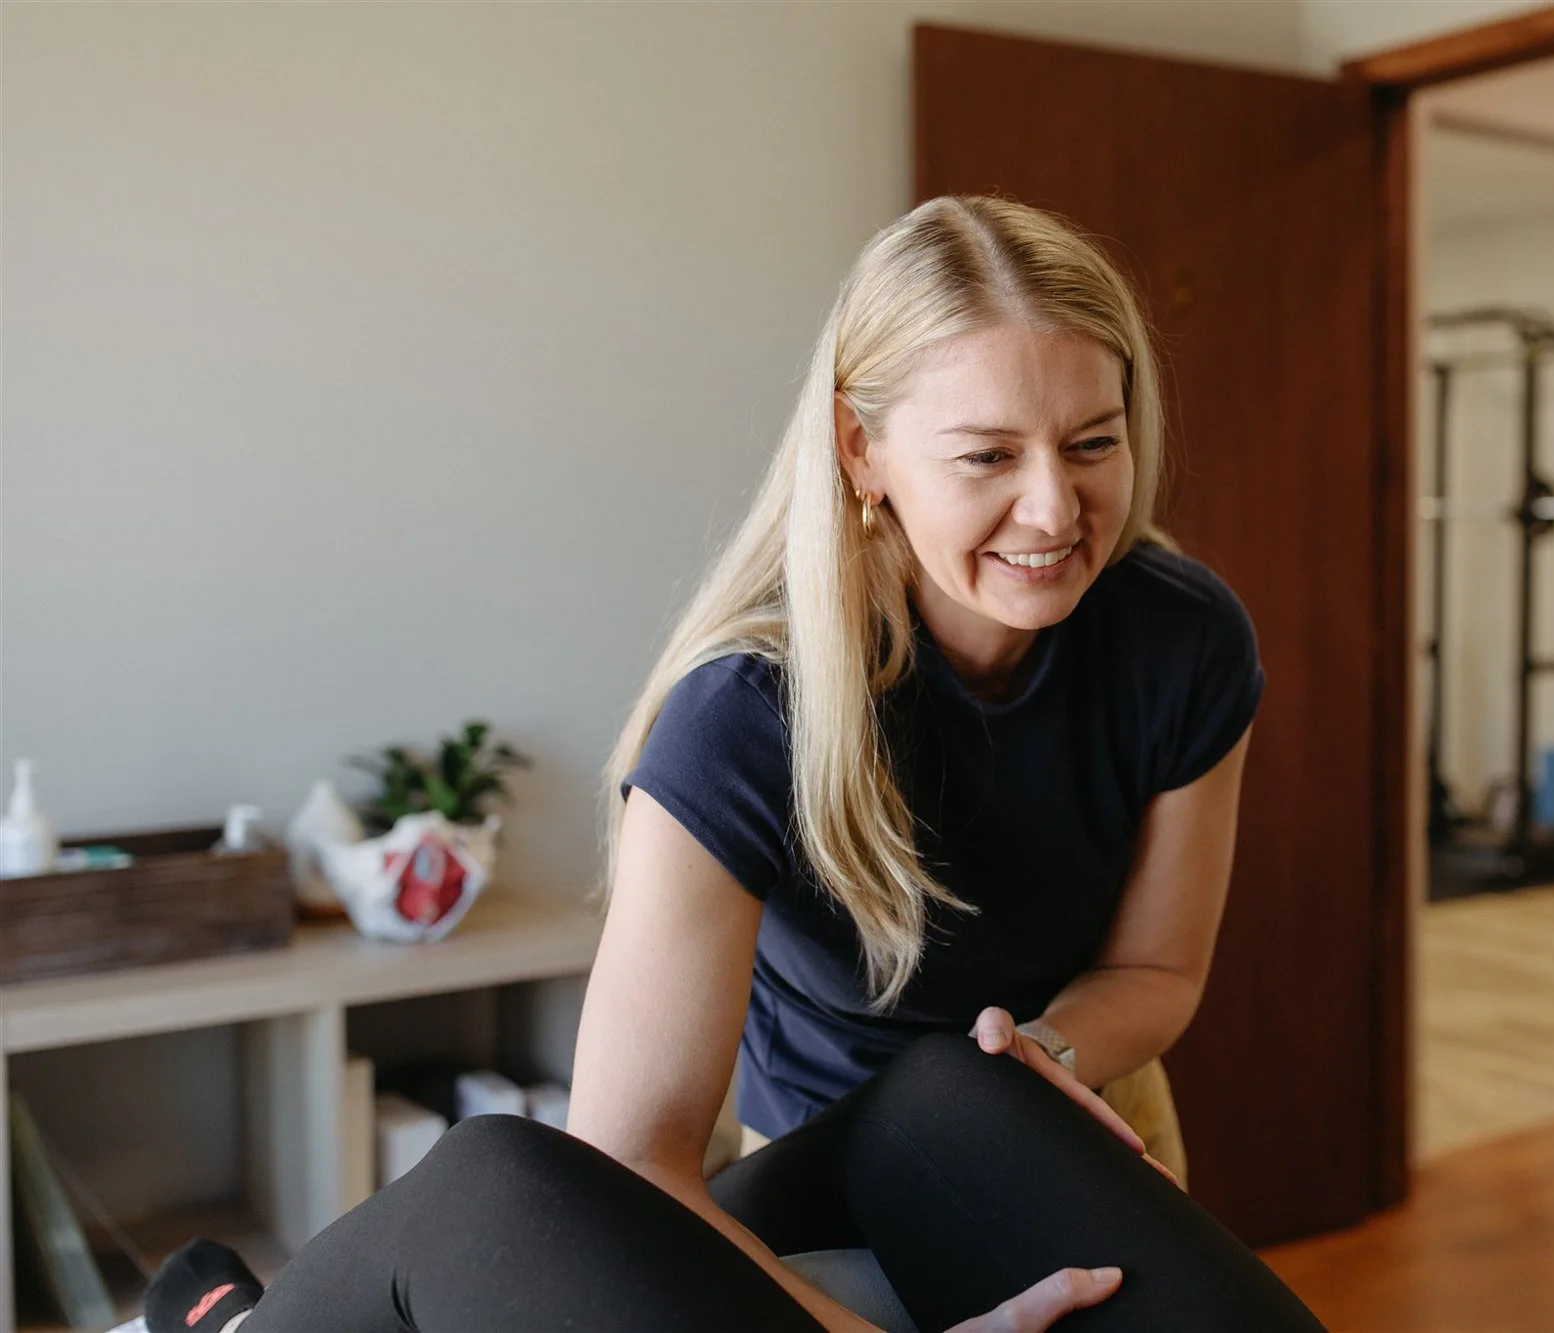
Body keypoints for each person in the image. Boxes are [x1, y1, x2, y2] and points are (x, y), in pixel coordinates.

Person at [143, 196, 1328, 1332]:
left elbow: (1158, 967)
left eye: (1090, 444)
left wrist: (1040, 1059)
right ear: (862, 451)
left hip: (1085, 1096)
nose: (1051, 507)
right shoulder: (745, 716)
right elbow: (628, 1153)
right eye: (984, 457)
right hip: (825, 1154)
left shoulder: (1181, 638)